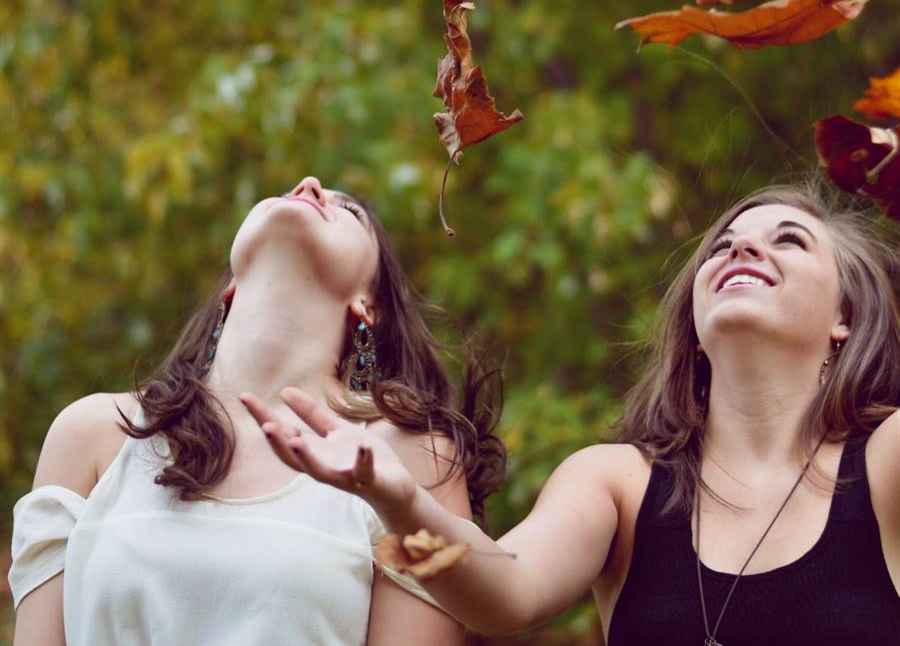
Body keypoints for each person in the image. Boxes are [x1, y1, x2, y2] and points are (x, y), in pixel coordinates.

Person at [245, 182, 900, 645]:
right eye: (722, 246)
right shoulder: (614, 481)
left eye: (790, 241)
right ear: (696, 321)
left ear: (845, 316)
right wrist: (397, 499)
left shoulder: (886, 461)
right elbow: (502, 597)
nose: (741, 252)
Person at [9, 175, 505, 646]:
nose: (308, 186)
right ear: (230, 287)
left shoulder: (409, 460)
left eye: (349, 210)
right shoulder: (92, 436)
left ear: (368, 304)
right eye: (292, 190)